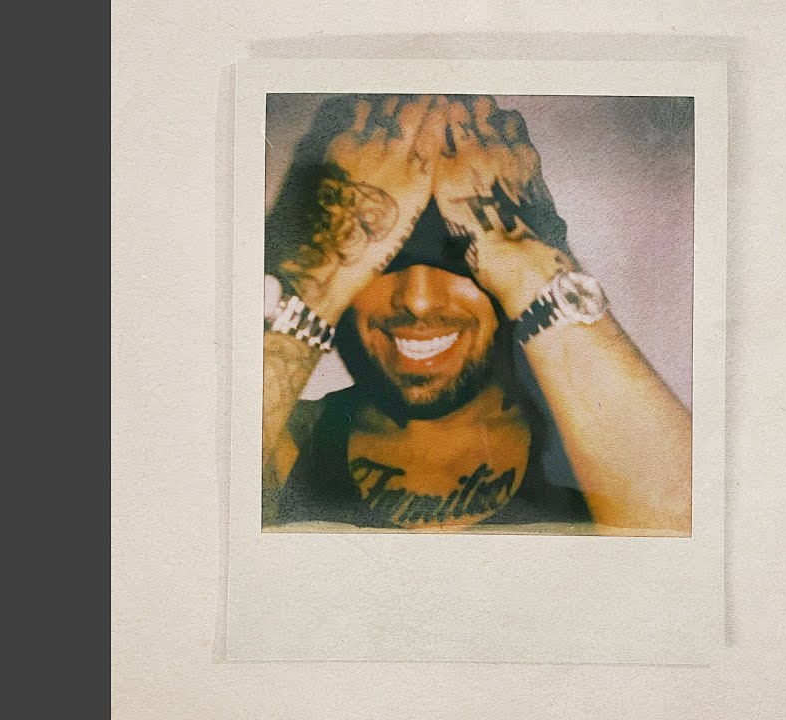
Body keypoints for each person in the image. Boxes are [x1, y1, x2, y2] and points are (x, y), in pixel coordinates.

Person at [261, 94, 692, 533]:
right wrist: (315, 280)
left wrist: (530, 262)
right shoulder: (283, 439)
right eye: (383, 261)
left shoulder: (588, 444)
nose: (418, 301)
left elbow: (685, 549)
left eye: (459, 258)